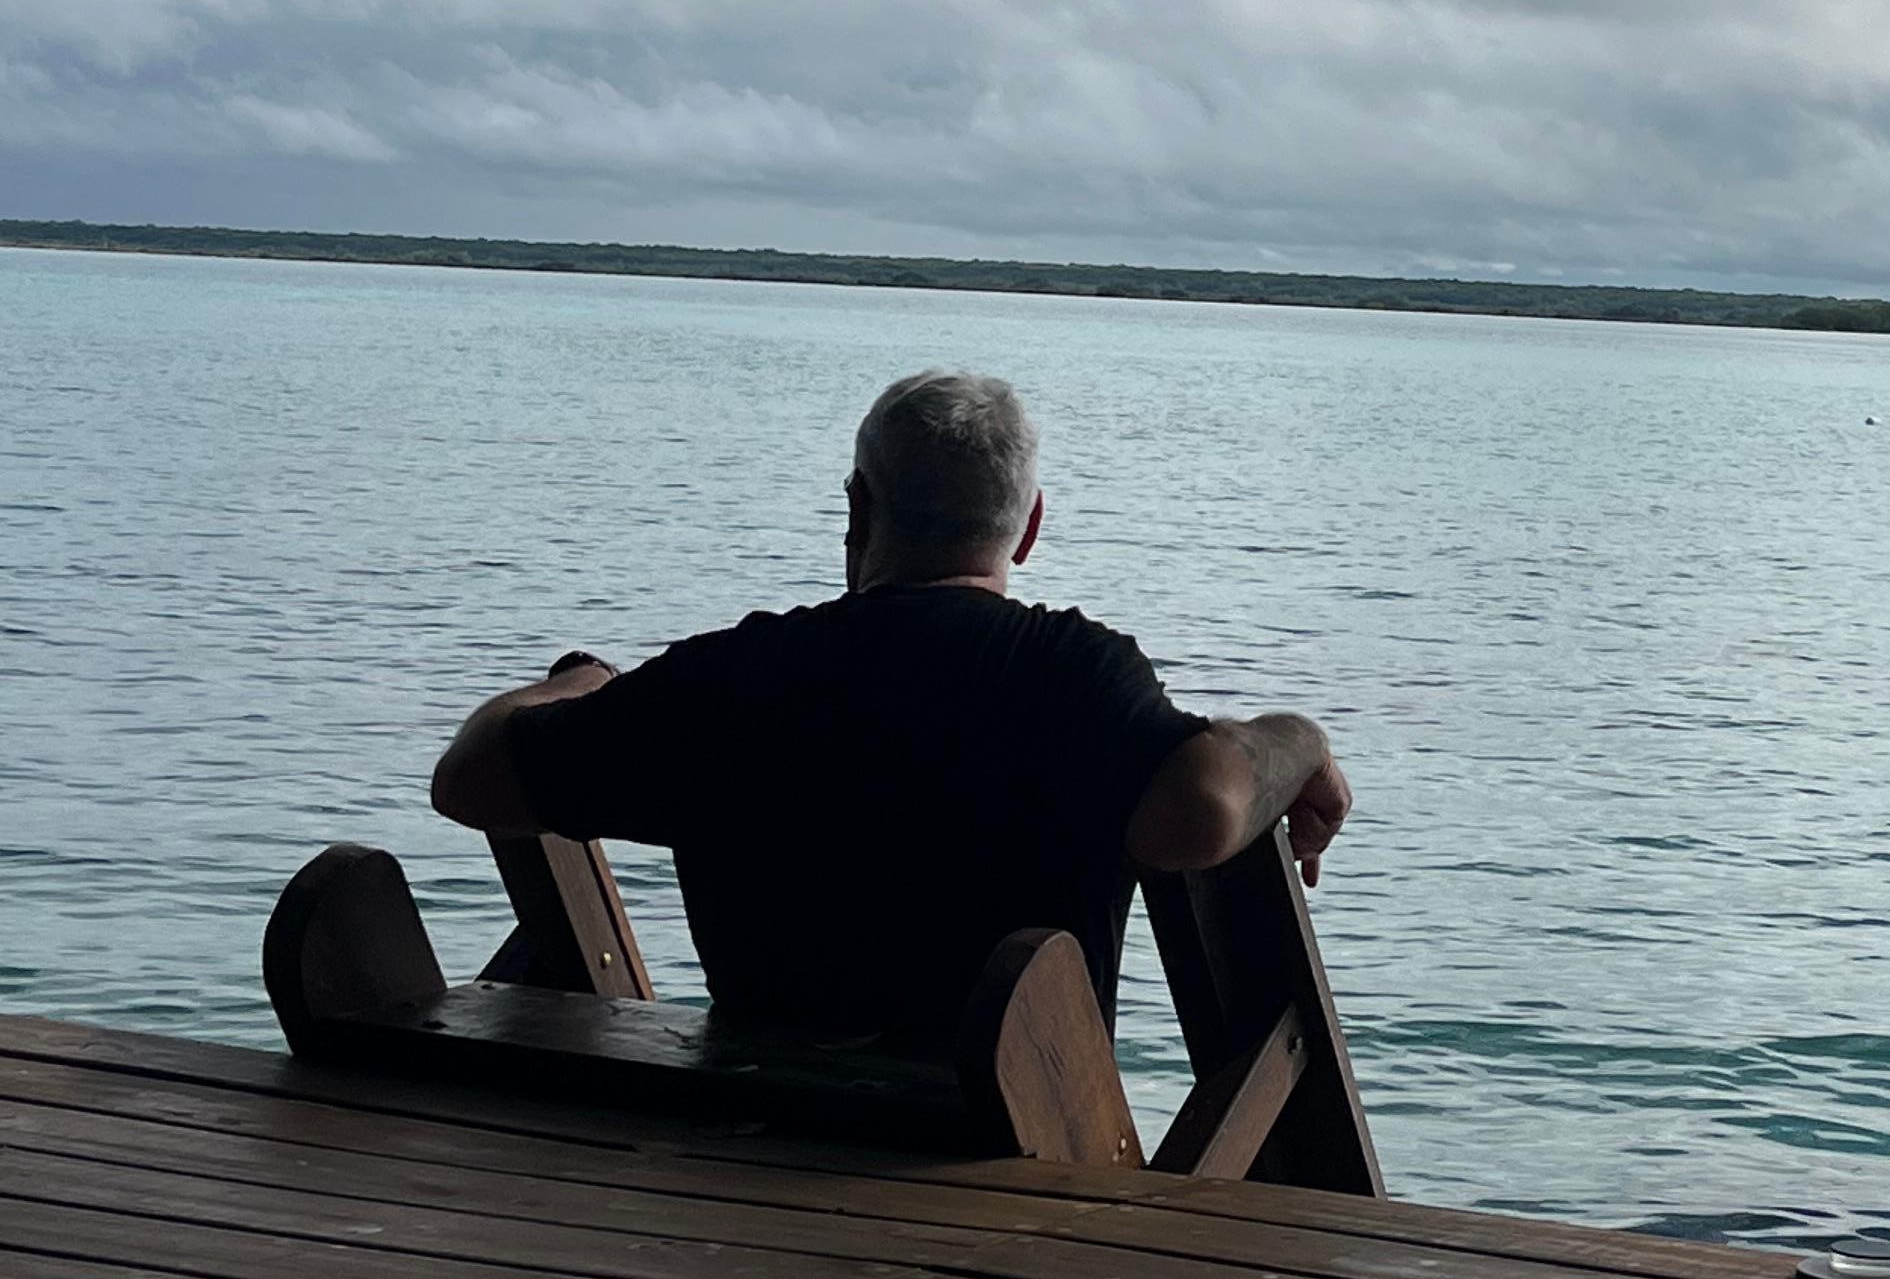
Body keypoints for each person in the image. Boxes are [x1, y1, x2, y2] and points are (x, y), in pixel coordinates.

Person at [428, 368, 1350, 1040]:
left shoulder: (736, 676)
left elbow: (469, 779)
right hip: (996, 1155)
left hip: (762, 1150)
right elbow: (1199, 816)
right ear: (1028, 527)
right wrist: (1297, 738)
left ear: (858, 508)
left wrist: (583, 686)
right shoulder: (1074, 678)